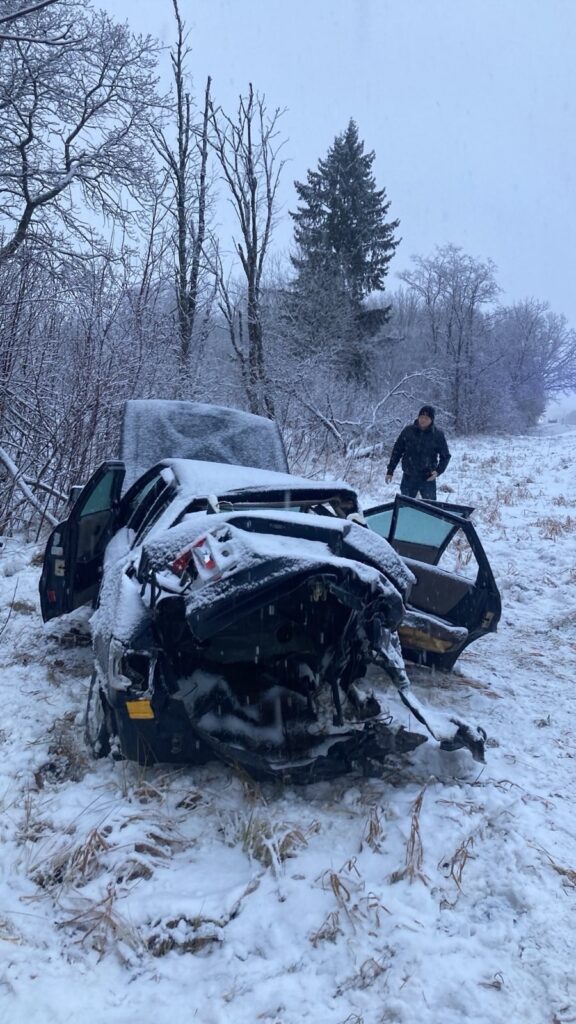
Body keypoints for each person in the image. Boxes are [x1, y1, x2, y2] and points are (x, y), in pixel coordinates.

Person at [385, 405, 451, 500]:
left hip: (428, 478)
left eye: (426, 418)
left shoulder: (437, 435)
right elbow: (397, 451)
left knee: (429, 506)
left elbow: (445, 456)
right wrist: (390, 470)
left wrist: (438, 471)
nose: (423, 420)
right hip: (409, 476)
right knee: (406, 505)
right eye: (421, 417)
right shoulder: (408, 431)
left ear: (431, 420)